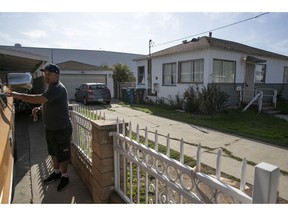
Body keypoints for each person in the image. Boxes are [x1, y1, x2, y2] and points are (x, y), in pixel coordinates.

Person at [6, 63, 72, 191]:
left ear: (57, 75)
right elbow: (47, 101)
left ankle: (65, 176)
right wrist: (40, 108)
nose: (46, 77)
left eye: (49, 74)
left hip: (61, 129)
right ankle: (57, 173)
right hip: (51, 128)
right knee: (53, 153)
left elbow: (39, 98)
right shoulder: (50, 87)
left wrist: (16, 95)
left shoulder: (57, 88)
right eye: (45, 74)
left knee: (62, 155)